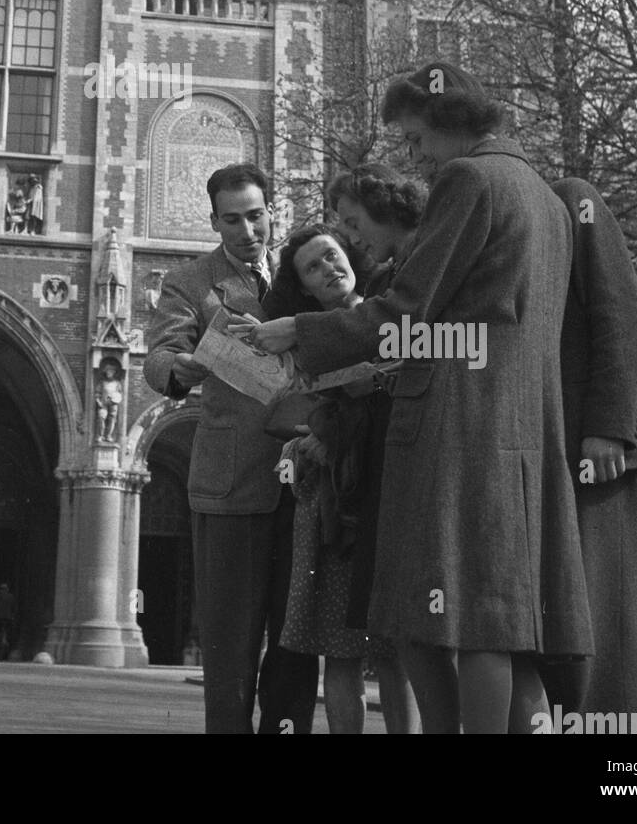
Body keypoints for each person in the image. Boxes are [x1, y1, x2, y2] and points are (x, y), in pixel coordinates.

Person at [242, 63, 593, 734]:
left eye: (413, 139)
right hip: (522, 424)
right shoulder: (545, 197)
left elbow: (407, 307)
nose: (411, 158)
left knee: (464, 619)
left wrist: (299, 330)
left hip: (459, 421)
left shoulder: (468, 180)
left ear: (449, 123)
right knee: (505, 619)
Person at [144, 163, 318, 734]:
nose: (248, 230)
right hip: (231, 481)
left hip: (306, 478)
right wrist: (181, 366)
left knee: (296, 640)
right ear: (214, 221)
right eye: (233, 220)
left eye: (256, 216)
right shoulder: (191, 282)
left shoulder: (302, 272)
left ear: (272, 211)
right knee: (230, 645)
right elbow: (158, 357)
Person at [264, 219, 417, 734]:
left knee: (398, 651)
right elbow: (284, 411)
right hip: (332, 502)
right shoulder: (304, 342)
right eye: (312, 267)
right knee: (341, 651)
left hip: (388, 493)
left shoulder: (391, 316)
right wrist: (311, 436)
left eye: (331, 255)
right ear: (303, 287)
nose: (328, 268)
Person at [539, 175, 637, 732]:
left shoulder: (570, 198)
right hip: (543, 452)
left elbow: (626, 314)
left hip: (591, 455)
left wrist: (607, 427)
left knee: (604, 642)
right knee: (561, 642)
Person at [0, 582, 17, 659]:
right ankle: (9, 643)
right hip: (8, 618)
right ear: (7, 590)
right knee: (10, 632)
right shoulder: (11, 597)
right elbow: (14, 608)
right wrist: (13, 616)